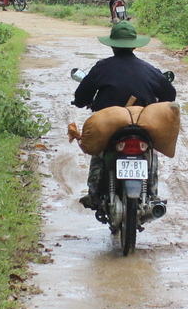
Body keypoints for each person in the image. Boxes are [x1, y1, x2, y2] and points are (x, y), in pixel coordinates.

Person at [72, 22, 176, 207]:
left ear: (112, 45)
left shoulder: (102, 68)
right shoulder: (149, 69)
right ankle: (152, 194)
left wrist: (82, 102)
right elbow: (170, 95)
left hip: (112, 128)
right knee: (150, 152)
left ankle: (94, 192)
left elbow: (81, 96)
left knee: (100, 152)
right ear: (135, 45)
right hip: (141, 127)